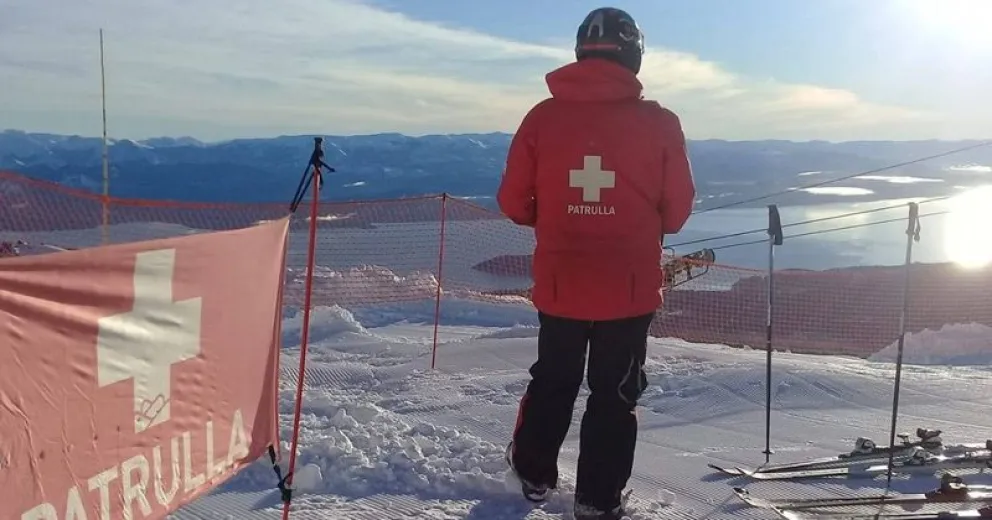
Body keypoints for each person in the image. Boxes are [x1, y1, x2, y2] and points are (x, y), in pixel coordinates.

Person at [495, 6, 696, 520]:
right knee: (615, 393)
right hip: (627, 291)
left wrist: (561, 215)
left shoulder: (543, 117)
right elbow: (676, 214)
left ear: (581, 50)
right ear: (634, 56)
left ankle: (534, 473)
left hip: (562, 284)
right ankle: (597, 499)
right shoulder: (661, 123)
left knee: (555, 378)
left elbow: (514, 203)